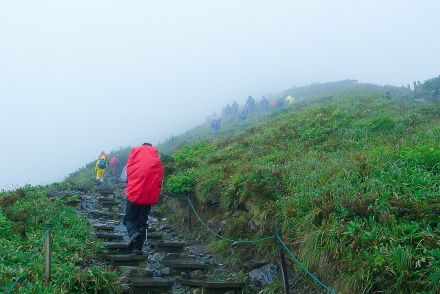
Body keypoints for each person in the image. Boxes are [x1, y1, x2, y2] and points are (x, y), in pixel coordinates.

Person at [124, 143, 164, 255]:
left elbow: (129, 173)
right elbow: (160, 180)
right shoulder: (157, 161)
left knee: (128, 219)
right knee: (142, 222)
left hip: (134, 194)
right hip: (148, 196)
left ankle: (133, 233)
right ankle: (138, 248)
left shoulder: (135, 155)